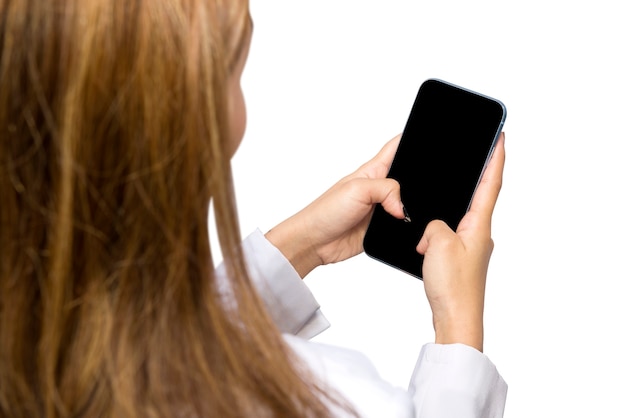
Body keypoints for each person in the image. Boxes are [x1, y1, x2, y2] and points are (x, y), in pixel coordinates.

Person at [0, 0, 507, 417]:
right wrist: (459, 333)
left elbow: (152, 353)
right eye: (232, 72)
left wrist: (303, 246)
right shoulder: (324, 401)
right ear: (189, 119)